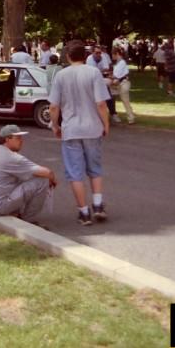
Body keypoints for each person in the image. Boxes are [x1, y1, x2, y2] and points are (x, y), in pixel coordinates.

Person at [48, 40, 111, 226]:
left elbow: (53, 106)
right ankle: (98, 204)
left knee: (75, 173)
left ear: (68, 56)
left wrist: (55, 125)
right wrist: (105, 124)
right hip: (92, 128)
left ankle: (84, 212)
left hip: (71, 129)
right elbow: (101, 103)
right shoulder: (93, 73)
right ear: (85, 56)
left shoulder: (61, 75)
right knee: (95, 168)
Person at [0, 125, 56, 223]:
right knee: (42, 181)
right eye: (18, 138)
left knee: (27, 177)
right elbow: (48, 173)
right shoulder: (11, 157)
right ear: (7, 139)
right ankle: (28, 221)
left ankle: (15, 211)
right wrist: (52, 179)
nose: (21, 141)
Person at [110, 47, 135, 124]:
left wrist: (109, 76)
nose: (112, 57)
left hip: (123, 83)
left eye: (113, 55)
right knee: (110, 97)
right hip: (118, 84)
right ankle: (113, 113)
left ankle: (131, 118)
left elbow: (116, 76)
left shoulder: (121, 62)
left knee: (125, 100)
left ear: (117, 54)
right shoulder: (118, 62)